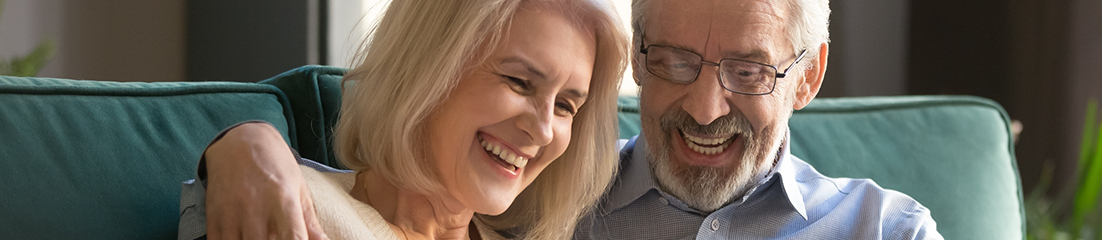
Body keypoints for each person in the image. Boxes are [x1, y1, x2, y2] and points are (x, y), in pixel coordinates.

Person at [198, 0, 943, 239]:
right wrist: (245, 146)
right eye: (676, 61)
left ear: (807, 76)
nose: (707, 107)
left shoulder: (889, 230)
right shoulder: (558, 213)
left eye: (748, 72)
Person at [177, 0, 629, 239]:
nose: (544, 128)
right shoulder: (289, 200)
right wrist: (246, 142)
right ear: (429, 69)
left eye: (568, 106)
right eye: (519, 82)